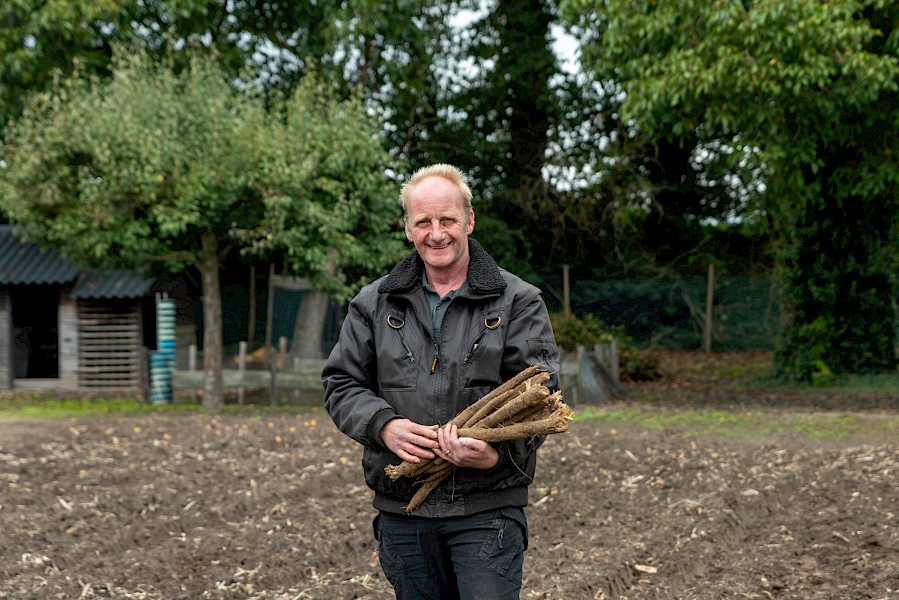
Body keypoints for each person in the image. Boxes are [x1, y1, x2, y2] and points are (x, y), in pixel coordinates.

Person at [322, 163, 560, 599]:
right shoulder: (374, 303)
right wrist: (383, 425)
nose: (437, 233)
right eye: (423, 222)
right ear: (408, 230)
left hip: (486, 510)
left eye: (447, 219)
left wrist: (495, 454)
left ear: (469, 221)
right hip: (403, 507)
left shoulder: (518, 301)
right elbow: (341, 382)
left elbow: (541, 396)